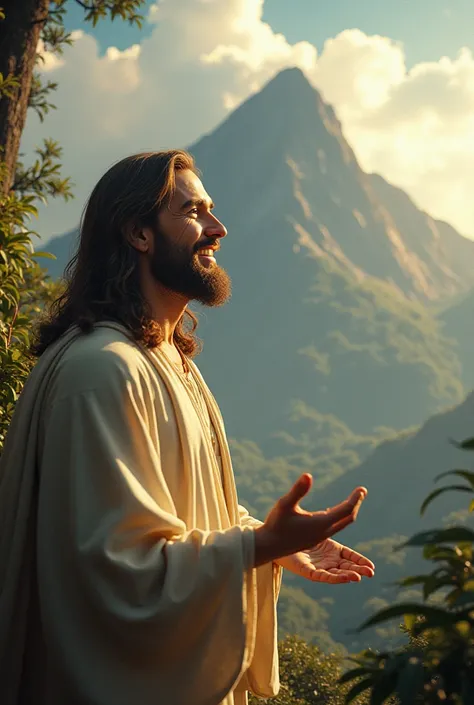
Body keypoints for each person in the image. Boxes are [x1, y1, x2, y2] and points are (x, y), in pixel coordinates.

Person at [0, 150, 374, 705]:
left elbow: (175, 513)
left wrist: (273, 547)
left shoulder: (172, 365)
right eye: (194, 211)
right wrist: (260, 543)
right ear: (139, 233)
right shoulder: (103, 370)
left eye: (211, 211)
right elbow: (117, 570)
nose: (218, 229)